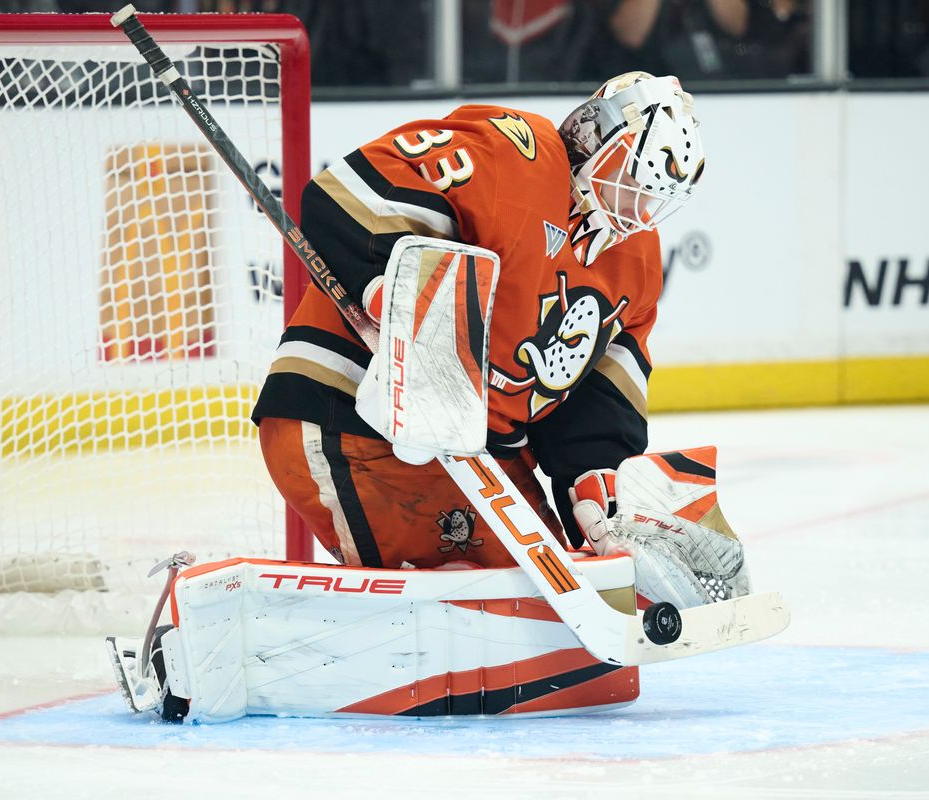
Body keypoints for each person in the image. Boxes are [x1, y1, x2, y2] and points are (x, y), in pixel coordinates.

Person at [251, 71, 749, 608]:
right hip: (353, 416)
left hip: (477, 455)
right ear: (593, 138)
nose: (637, 208)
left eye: (654, 195)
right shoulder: (518, 153)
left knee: (568, 606)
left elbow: (598, 391)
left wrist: (596, 473)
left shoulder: (637, 262)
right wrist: (393, 294)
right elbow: (353, 192)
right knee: (503, 609)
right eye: (631, 177)